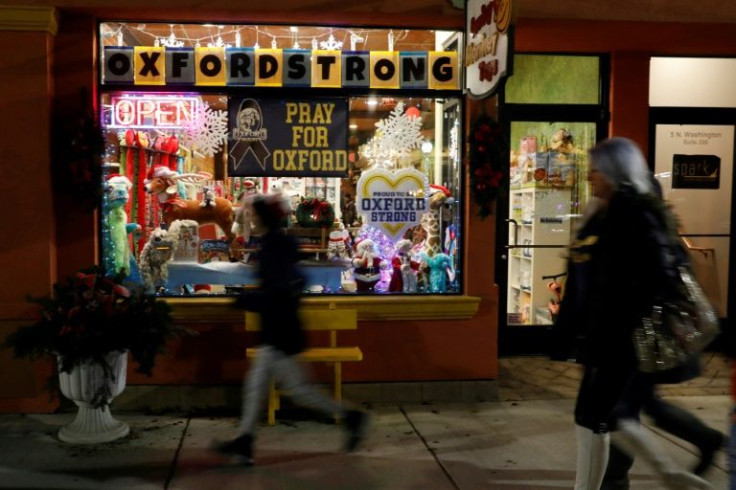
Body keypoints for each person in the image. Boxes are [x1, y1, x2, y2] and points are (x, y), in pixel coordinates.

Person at [553, 137, 711, 489]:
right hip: (605, 337)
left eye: (596, 169)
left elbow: (660, 273)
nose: (590, 176)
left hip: (620, 340)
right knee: (602, 416)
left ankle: (659, 475)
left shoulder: (634, 212)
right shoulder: (605, 211)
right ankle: (661, 475)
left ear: (614, 171)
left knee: (601, 416)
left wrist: (623, 320)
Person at [213, 193, 369, 466]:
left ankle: (350, 417)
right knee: (263, 385)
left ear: (262, 217)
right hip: (281, 327)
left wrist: (245, 300)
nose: (249, 218)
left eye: (253, 214)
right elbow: (295, 281)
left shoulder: (273, 246)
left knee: (295, 390)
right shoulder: (279, 243)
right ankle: (244, 441)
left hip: (278, 330)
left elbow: (278, 289)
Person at [600, 176, 727, 489]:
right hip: (646, 339)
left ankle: (614, 479)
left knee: (622, 410)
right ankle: (707, 438)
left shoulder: (649, 232)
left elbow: (650, 286)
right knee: (642, 405)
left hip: (646, 339)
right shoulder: (658, 227)